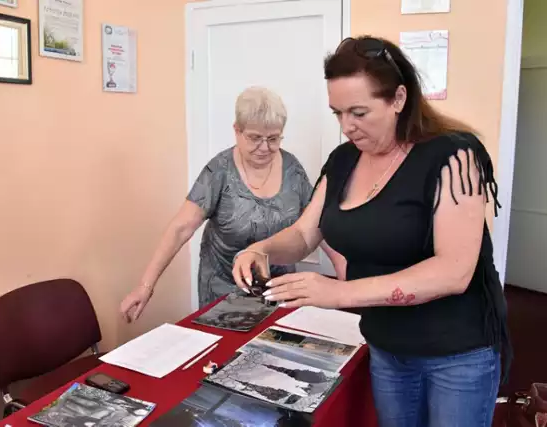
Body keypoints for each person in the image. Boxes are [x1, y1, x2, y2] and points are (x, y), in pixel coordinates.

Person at [232, 36, 512, 427]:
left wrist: (340, 292)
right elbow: (304, 234)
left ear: (398, 98)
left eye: (359, 112)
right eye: (338, 113)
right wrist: (261, 249)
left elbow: (454, 271)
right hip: (386, 346)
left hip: (456, 353)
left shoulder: (453, 155)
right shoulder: (344, 160)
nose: (347, 126)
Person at [121, 86, 345, 321]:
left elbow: (316, 224)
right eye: (255, 138)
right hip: (223, 294)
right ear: (237, 131)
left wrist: (344, 274)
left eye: (273, 138)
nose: (265, 148)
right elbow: (181, 228)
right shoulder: (219, 171)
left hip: (277, 291)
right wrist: (146, 286)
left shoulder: (292, 169)